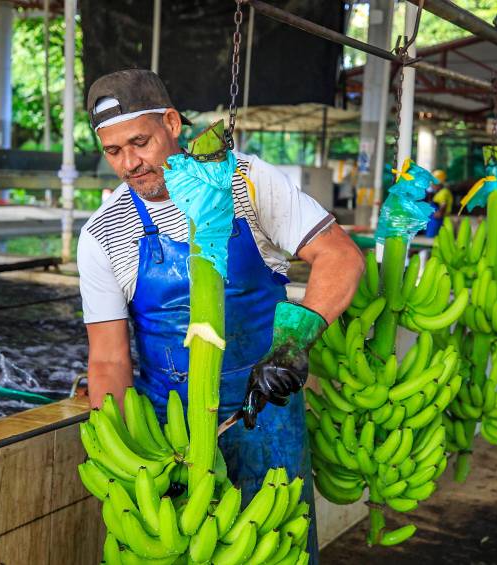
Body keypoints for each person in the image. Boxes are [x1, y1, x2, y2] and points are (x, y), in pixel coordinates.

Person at [77, 69, 363, 561]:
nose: (129, 163)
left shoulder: (245, 182)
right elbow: (107, 361)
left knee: (278, 548)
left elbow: (340, 256)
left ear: (172, 123)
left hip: (265, 414)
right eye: (113, 151)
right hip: (172, 431)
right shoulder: (103, 234)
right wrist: (127, 459)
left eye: (139, 142)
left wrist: (293, 343)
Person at [425, 169, 454, 237]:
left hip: (439, 218)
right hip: (436, 218)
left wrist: (439, 213)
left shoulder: (443, 192)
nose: (431, 186)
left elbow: (443, 204)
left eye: (433, 184)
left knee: (433, 235)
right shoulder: (440, 192)